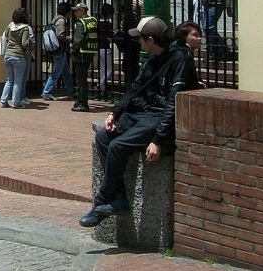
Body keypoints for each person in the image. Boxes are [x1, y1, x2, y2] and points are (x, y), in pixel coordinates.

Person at [79, 17, 199, 227]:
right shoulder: (153, 59)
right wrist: (114, 113)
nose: (139, 43)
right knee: (103, 137)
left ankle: (101, 203)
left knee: (118, 146)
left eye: (141, 39)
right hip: (143, 112)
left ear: (150, 40)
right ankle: (118, 198)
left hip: (159, 118)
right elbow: (136, 87)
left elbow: (174, 102)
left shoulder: (180, 60)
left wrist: (159, 140)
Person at [0, 7, 33, 108]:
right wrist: (30, 44)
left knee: (9, 80)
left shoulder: (10, 25)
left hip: (8, 55)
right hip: (18, 56)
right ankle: (16, 102)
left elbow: (5, 36)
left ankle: (3, 101)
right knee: (18, 81)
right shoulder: (25, 28)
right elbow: (24, 43)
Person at [41, 1, 74, 101]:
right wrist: (70, 38)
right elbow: (60, 35)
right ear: (66, 12)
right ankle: (46, 92)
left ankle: (71, 91)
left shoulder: (55, 19)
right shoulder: (61, 21)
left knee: (66, 73)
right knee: (56, 72)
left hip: (58, 49)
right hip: (60, 50)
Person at [71, 2, 97, 112]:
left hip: (81, 52)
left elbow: (78, 39)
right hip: (90, 51)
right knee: (83, 78)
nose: (75, 13)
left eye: (77, 10)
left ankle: (83, 103)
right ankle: (81, 101)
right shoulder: (93, 20)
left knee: (81, 80)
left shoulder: (81, 22)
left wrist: (72, 49)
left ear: (82, 10)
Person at [97, 3, 115, 100]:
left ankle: (102, 89)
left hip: (99, 48)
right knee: (110, 70)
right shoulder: (108, 24)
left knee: (103, 69)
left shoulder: (97, 23)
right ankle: (100, 85)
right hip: (106, 48)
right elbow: (109, 37)